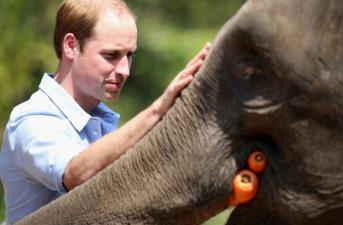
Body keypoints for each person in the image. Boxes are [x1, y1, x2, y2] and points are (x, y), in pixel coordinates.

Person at [0, 0, 211, 224]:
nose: (125, 70)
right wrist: (157, 110)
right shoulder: (32, 120)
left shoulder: (102, 122)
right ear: (71, 46)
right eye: (111, 55)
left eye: (129, 55)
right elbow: (75, 174)